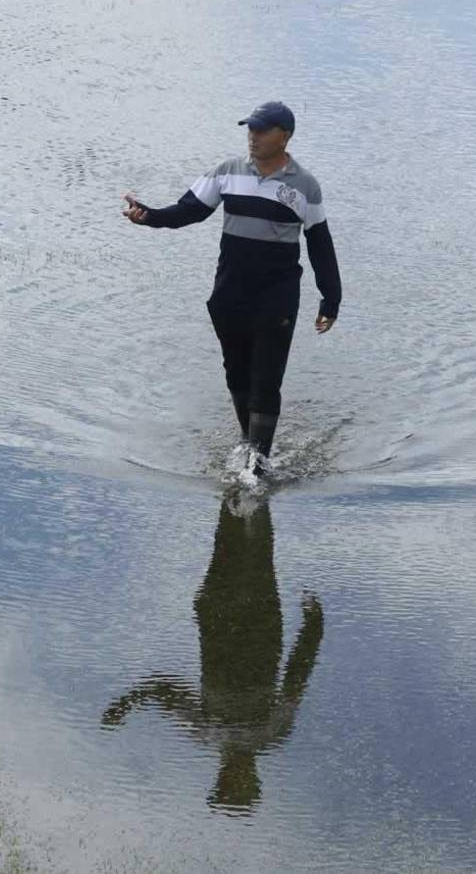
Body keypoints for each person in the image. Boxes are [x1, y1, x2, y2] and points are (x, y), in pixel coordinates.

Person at [122, 101, 342, 475]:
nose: (252, 137)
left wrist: (330, 298)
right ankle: (248, 446)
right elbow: (188, 210)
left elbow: (320, 243)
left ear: (284, 135)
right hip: (229, 295)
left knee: (266, 380)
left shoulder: (305, 186)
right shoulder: (228, 172)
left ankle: (257, 467)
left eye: (261, 130)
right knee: (236, 376)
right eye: (250, 129)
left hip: (277, 297)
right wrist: (150, 217)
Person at [101, 495, 325, 813]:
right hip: (257, 619)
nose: (232, 777)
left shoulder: (209, 733)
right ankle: (250, 482)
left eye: (227, 784)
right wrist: (314, 625)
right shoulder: (268, 733)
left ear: (221, 777)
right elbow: (297, 675)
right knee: (255, 544)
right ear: (253, 780)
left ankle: (243, 477)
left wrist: (126, 704)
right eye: (236, 785)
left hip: (219, 613)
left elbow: (163, 691)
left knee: (231, 536)